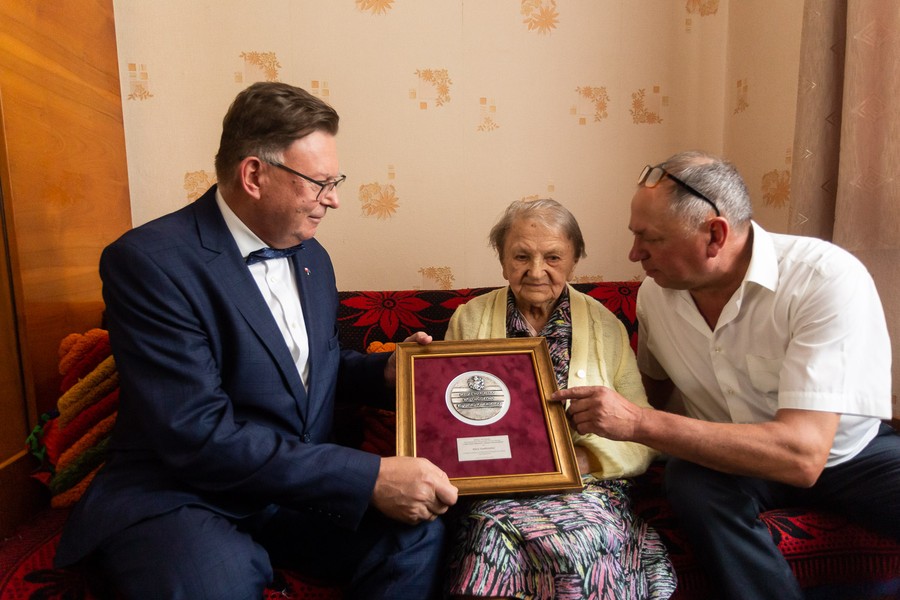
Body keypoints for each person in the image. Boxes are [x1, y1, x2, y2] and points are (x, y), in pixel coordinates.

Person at [54, 81, 458, 600]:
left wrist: (384, 374)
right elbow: (195, 434)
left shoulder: (313, 257)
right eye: (319, 182)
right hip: (183, 494)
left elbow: (308, 369)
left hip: (289, 490)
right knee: (210, 582)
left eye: (335, 181)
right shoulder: (149, 262)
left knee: (416, 535)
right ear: (253, 175)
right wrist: (367, 476)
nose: (333, 199)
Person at [554, 150, 900, 599]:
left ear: (715, 235)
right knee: (691, 483)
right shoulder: (656, 297)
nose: (634, 253)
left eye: (650, 239)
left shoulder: (824, 279)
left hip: (850, 454)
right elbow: (647, 393)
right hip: (729, 460)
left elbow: (802, 454)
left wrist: (638, 424)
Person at [443, 198, 676, 599]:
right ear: (502, 260)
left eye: (553, 256)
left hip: (586, 487)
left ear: (573, 261)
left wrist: (584, 461)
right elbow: (448, 421)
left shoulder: (605, 324)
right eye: (521, 256)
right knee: (491, 530)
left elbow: (642, 431)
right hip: (497, 490)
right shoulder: (469, 318)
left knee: (579, 539)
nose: (536, 271)